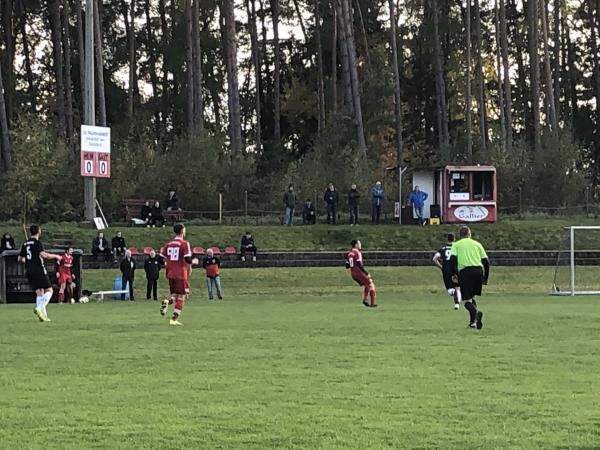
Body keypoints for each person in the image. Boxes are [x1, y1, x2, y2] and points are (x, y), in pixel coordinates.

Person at [18, 224, 62, 322]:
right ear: (39, 231)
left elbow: (20, 258)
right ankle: (39, 308)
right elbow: (43, 255)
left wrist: (29, 261)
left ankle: (43, 316)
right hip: (38, 270)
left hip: (29, 270)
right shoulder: (37, 243)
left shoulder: (25, 244)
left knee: (39, 292)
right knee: (49, 290)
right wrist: (56, 256)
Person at [449, 226, 489, 330]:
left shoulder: (456, 245)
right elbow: (486, 261)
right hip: (478, 271)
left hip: (466, 272)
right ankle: (473, 323)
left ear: (460, 235)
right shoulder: (477, 244)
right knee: (472, 297)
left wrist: (454, 274)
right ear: (469, 234)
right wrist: (486, 277)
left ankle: (476, 313)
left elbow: (453, 259)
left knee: (466, 300)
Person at [160, 223, 196, 326]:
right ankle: (173, 319)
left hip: (170, 273)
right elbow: (187, 259)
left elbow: (160, 258)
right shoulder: (184, 243)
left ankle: (167, 301)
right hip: (180, 273)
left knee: (174, 295)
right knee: (181, 297)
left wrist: (167, 264)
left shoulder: (169, 244)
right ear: (182, 231)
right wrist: (194, 261)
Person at [345, 239, 377, 308]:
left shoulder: (349, 253)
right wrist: (366, 273)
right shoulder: (357, 252)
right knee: (371, 284)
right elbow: (359, 264)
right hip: (359, 272)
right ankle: (372, 304)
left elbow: (347, 266)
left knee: (367, 285)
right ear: (356, 245)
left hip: (353, 274)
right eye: (359, 243)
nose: (360, 245)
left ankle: (365, 299)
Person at [432, 234, 461, 310]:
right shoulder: (457, 248)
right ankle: (457, 302)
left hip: (446, 271)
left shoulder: (442, 249)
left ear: (447, 239)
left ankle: (456, 302)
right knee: (458, 287)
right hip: (455, 270)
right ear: (454, 239)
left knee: (451, 290)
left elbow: (434, 259)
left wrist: (441, 267)